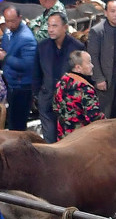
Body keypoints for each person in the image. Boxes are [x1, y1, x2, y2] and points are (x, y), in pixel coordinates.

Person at [34, 12, 90, 141]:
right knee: (50, 139)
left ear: (65, 27)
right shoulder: (42, 46)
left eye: (54, 26)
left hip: (70, 102)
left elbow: (83, 75)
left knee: (70, 140)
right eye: (49, 26)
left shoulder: (77, 47)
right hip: (47, 99)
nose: (50, 29)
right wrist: (37, 94)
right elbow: (36, 72)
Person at [0, 5, 39, 130]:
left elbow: (28, 65)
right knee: (12, 121)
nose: (9, 24)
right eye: (7, 21)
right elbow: (6, 48)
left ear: (20, 18)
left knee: (18, 124)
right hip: (12, 83)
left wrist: (6, 57)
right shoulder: (9, 32)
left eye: (13, 21)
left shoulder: (27, 38)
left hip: (22, 87)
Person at [52, 48, 104, 139]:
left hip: (63, 139)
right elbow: (95, 118)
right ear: (78, 68)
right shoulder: (85, 88)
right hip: (81, 142)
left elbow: (55, 108)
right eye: (89, 63)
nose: (92, 66)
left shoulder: (61, 83)